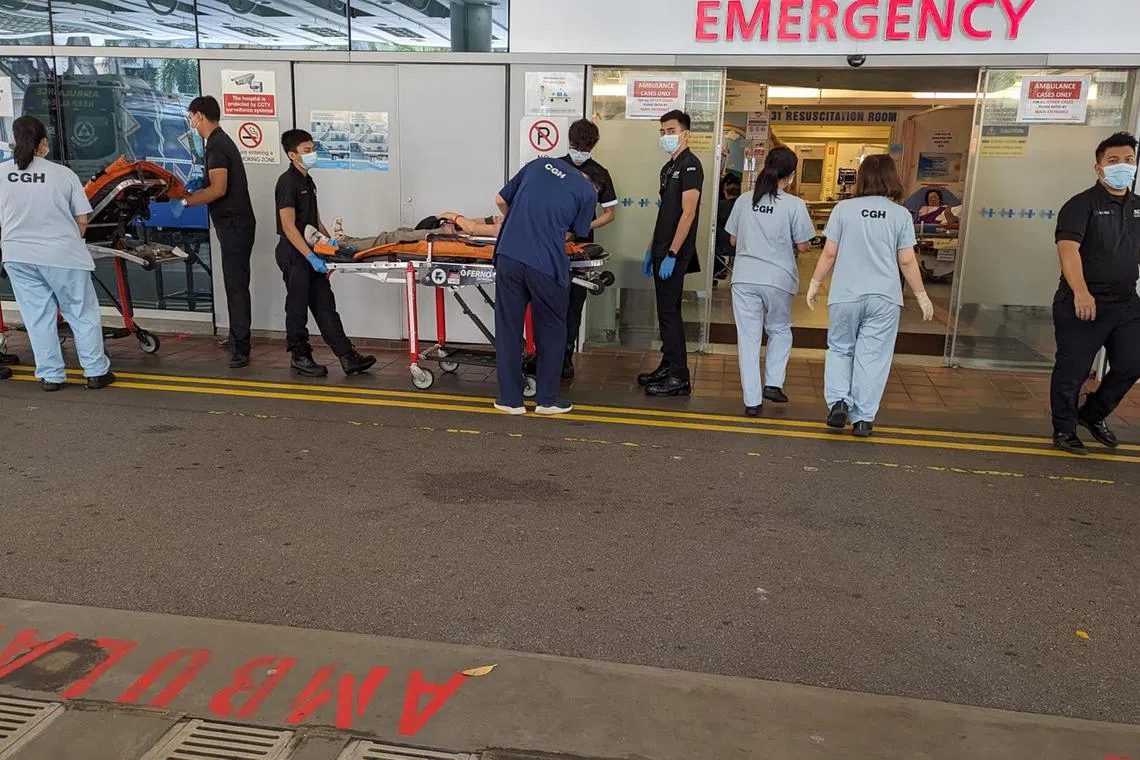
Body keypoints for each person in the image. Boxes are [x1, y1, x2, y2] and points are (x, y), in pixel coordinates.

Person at [806, 154, 933, 437]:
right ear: (892, 178)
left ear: (861, 177)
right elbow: (907, 260)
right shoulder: (900, 214)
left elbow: (829, 252)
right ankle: (863, 418)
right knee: (872, 356)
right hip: (884, 297)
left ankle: (839, 400)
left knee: (840, 348)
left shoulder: (843, 209)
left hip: (846, 295)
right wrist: (922, 296)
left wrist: (815, 283)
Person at [0, 115, 115, 391]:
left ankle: (51, 376)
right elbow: (82, 220)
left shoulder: (2, 174)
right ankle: (95, 371)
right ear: (42, 143)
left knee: (37, 316)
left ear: (16, 141)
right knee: (81, 311)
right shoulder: (63, 174)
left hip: (18, 254)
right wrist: (70, 241)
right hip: (62, 254)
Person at [1049, 131, 1140, 455]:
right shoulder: (1081, 205)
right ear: (1099, 168)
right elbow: (1068, 250)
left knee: (1132, 363)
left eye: (1129, 160)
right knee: (1073, 369)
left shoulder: (1137, 208)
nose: (1122, 166)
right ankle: (1064, 429)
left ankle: (1093, 413)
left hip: (1127, 303)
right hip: (1084, 301)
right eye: (1113, 161)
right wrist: (1081, 292)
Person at [491, 156, 596, 415]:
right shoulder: (587, 192)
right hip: (546, 264)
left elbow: (500, 200)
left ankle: (510, 400)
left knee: (508, 328)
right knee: (551, 330)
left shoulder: (538, 165)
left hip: (510, 255)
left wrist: (520, 223)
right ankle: (547, 400)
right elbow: (576, 232)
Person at [274, 129, 376, 378]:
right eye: (306, 151)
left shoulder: (309, 181)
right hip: (294, 253)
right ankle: (299, 356)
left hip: (312, 253)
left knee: (325, 305)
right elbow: (288, 225)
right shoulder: (287, 182)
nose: (312, 154)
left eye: (313, 149)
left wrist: (331, 247)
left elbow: (314, 220)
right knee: (297, 307)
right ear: (292, 155)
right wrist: (308, 256)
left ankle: (347, 357)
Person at [726, 147, 815, 417]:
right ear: (790, 175)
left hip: (744, 278)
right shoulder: (794, 205)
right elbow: (803, 246)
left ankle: (752, 402)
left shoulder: (744, 200)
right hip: (777, 278)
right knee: (779, 329)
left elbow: (732, 239)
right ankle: (774, 383)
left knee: (749, 339)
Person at [183, 96, 257, 369]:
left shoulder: (216, 145)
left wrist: (186, 201)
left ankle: (241, 347)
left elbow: (218, 189)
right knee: (235, 284)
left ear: (199, 116)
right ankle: (237, 336)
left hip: (235, 225)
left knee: (235, 286)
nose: (190, 121)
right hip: (235, 224)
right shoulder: (218, 142)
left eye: (191, 116)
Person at [639, 109, 704, 397]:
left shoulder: (691, 166)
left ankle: (679, 376)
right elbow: (664, 213)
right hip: (661, 249)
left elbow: (688, 213)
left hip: (675, 253)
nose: (666, 136)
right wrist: (651, 248)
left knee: (670, 313)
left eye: (671, 131)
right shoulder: (668, 168)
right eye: (662, 132)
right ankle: (668, 364)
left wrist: (673, 253)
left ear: (685, 133)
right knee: (665, 312)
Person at [558, 118, 618, 380]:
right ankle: (543, 352)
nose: (579, 151)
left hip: (580, 249)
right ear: (569, 142)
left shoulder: (600, 173)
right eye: (575, 145)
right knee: (548, 300)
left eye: (585, 147)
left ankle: (566, 356)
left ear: (593, 146)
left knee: (573, 304)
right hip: (551, 244)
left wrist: (584, 225)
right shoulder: (554, 167)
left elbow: (610, 213)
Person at [715, 171, 741, 282]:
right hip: (739, 246)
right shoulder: (743, 207)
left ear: (726, 192)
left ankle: (717, 272)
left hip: (719, 246)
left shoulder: (719, 206)